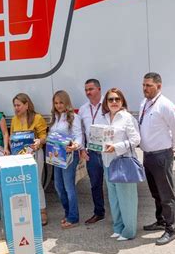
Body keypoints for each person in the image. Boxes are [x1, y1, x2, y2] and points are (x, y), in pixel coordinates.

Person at [139, 72, 175, 246]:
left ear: (159, 86)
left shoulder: (165, 105)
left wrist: (170, 147)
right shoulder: (145, 103)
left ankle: (171, 229)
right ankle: (161, 220)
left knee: (166, 194)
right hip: (148, 155)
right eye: (143, 85)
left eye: (149, 85)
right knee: (155, 192)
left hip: (161, 155)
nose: (145, 88)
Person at [101, 88, 141, 241]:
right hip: (107, 163)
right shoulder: (104, 118)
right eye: (110, 99)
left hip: (123, 162)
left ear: (122, 101)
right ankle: (118, 227)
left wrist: (116, 147)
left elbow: (136, 140)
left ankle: (129, 231)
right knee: (114, 198)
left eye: (117, 99)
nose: (114, 102)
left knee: (127, 199)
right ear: (106, 102)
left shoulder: (127, 118)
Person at [10, 93, 48, 225]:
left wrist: (39, 141)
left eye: (19, 105)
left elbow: (44, 136)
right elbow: (12, 137)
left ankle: (42, 211)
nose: (16, 108)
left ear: (26, 105)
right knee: (23, 183)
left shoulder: (37, 118)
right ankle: (28, 211)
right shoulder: (14, 120)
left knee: (36, 182)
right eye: (14, 105)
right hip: (20, 157)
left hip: (35, 154)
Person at [49, 90, 83, 229]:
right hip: (56, 156)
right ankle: (67, 212)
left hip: (69, 155)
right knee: (58, 186)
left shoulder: (73, 117)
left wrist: (75, 145)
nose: (58, 105)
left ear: (66, 102)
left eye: (61, 102)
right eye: (56, 103)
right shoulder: (54, 117)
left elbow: (78, 135)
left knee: (69, 187)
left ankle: (73, 217)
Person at [78, 79, 107, 224]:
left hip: (108, 151)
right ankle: (99, 212)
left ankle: (119, 213)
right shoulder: (83, 109)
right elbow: (80, 132)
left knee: (114, 184)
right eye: (86, 90)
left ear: (99, 89)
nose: (88, 92)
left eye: (91, 89)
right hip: (92, 152)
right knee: (95, 184)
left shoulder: (108, 105)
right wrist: (82, 149)